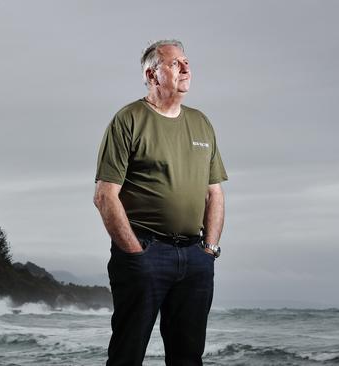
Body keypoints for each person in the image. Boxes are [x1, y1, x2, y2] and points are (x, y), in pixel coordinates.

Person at [93, 39, 228, 366]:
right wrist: (135, 253)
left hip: (195, 259)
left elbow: (215, 193)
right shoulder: (129, 120)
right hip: (145, 253)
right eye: (174, 63)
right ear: (152, 75)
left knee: (188, 358)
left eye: (186, 61)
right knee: (127, 355)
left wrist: (208, 250)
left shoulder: (201, 123)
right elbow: (105, 196)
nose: (186, 69)